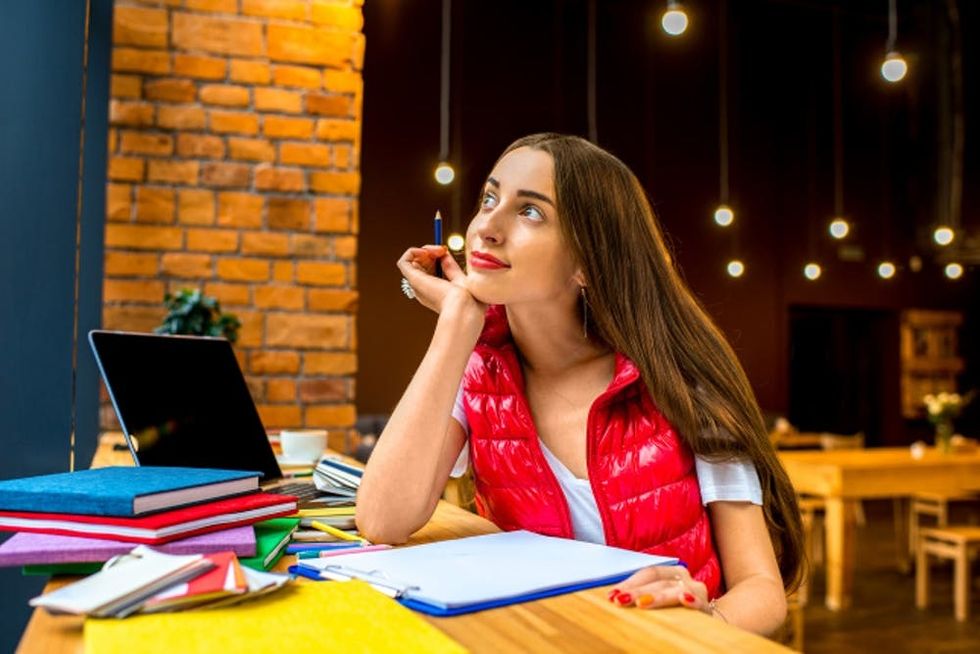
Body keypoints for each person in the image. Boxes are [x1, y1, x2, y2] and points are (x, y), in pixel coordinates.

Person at [356, 133, 803, 635]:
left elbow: (763, 591)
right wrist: (457, 323)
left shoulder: (684, 382)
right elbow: (382, 519)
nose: (487, 227)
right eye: (489, 199)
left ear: (587, 262)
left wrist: (705, 618)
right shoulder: (479, 372)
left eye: (530, 212)